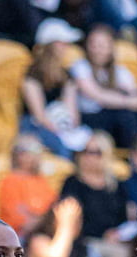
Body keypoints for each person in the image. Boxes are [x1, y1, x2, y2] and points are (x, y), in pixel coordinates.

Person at [69, 24, 137, 152]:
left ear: (111, 48)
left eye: (102, 46)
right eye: (94, 45)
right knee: (123, 114)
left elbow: (134, 92)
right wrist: (130, 102)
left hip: (114, 118)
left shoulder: (120, 71)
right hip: (91, 118)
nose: (97, 50)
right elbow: (96, 95)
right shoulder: (81, 67)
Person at [60, 133, 134, 257]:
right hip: (84, 241)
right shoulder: (72, 183)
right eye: (85, 151)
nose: (88, 156)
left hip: (113, 242)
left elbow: (125, 218)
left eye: (96, 152)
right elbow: (69, 218)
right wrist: (100, 234)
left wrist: (117, 233)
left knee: (122, 253)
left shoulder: (116, 185)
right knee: (95, 253)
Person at [19, 22, 87, 159]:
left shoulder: (67, 75)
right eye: (62, 44)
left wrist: (69, 128)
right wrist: (58, 131)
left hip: (60, 124)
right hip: (36, 125)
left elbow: (72, 111)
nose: (66, 48)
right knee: (62, 147)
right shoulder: (32, 75)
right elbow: (39, 115)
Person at [0, 135, 57, 235]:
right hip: (17, 236)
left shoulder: (41, 180)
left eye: (36, 152)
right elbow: (20, 220)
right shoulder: (11, 180)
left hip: (43, 231)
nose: (33, 157)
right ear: (17, 155)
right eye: (27, 152)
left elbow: (53, 206)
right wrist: (41, 217)